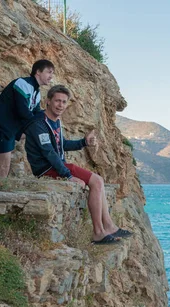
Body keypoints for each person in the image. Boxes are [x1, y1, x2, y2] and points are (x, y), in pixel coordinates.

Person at [24, 85, 132, 245]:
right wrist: (68, 176)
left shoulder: (55, 122)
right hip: (46, 168)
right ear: (48, 101)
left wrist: (83, 142)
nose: (60, 105)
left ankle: (108, 226)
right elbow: (49, 153)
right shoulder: (39, 123)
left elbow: (61, 145)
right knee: (97, 181)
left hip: (57, 165)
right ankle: (99, 232)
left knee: (98, 181)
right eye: (57, 101)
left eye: (64, 102)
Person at [0, 59, 55, 180]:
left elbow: (37, 113)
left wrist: (50, 124)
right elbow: (23, 111)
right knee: (4, 165)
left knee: (34, 136)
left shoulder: (36, 91)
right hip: (0, 127)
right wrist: (38, 129)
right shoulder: (22, 83)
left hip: (11, 129)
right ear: (38, 72)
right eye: (49, 72)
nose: (51, 76)